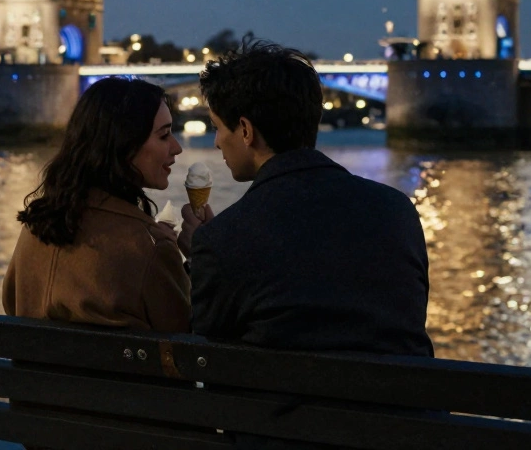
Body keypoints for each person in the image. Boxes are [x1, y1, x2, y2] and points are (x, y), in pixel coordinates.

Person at [181, 40, 433, 357]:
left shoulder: (223, 240)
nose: (217, 142)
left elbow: (208, 354)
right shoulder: (398, 212)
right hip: (403, 403)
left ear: (245, 130)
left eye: (217, 127)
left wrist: (202, 256)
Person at [3, 76, 189, 333]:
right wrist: (196, 258)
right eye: (164, 135)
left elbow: (12, 306)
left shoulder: (35, 227)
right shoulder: (149, 246)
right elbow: (187, 345)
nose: (176, 148)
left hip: (28, 373)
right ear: (125, 143)